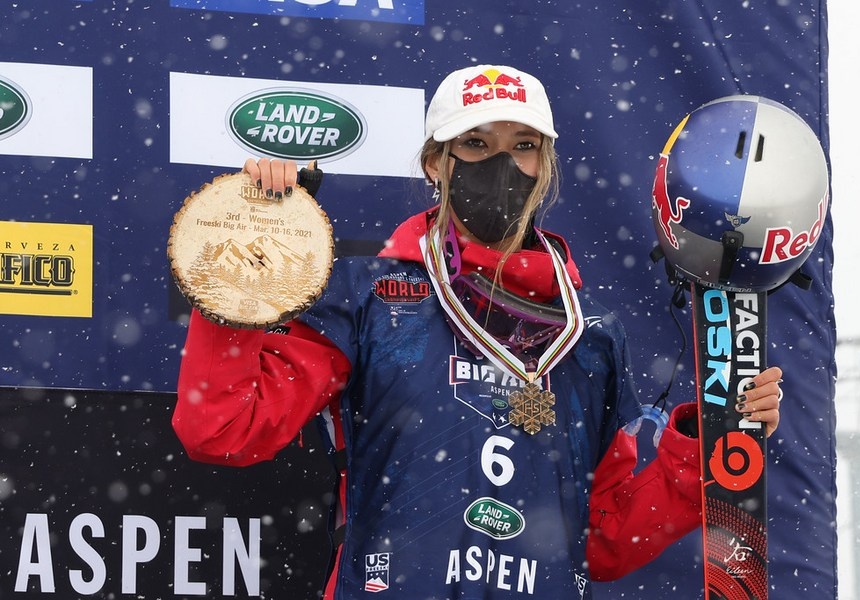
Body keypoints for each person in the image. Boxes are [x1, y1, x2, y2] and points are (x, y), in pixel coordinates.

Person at [172, 64, 783, 599]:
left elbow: (602, 542)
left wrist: (704, 449)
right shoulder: (374, 297)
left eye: (523, 145)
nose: (501, 163)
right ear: (435, 163)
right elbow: (222, 430)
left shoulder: (587, 338)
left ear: (544, 165)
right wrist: (242, 273)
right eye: (475, 142)